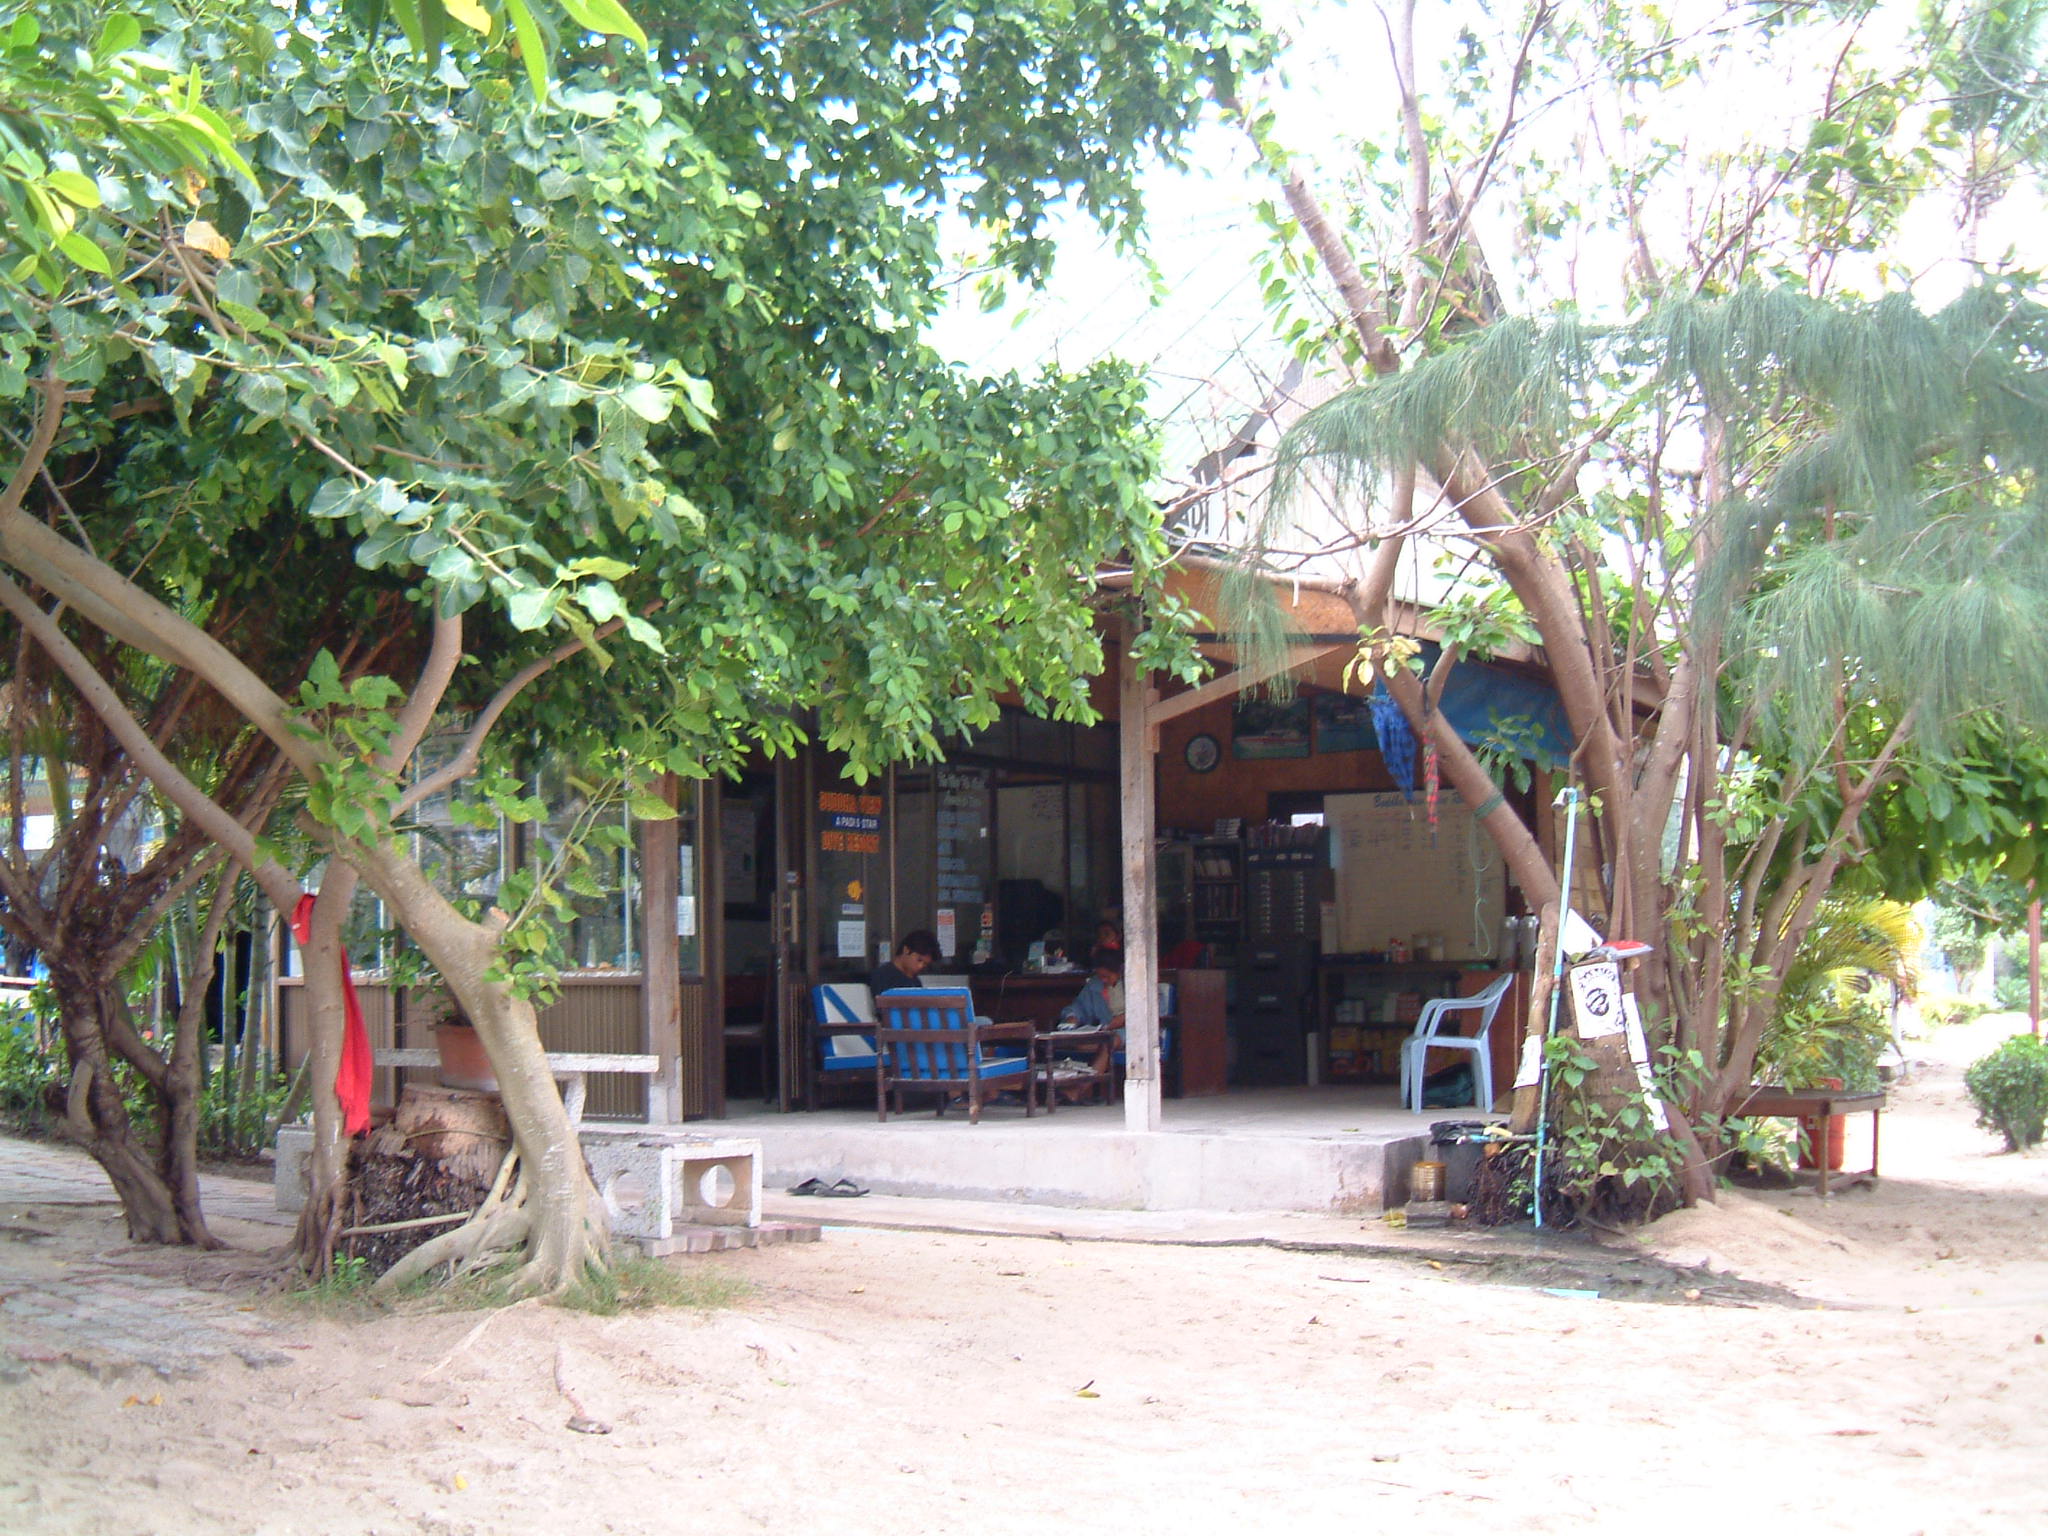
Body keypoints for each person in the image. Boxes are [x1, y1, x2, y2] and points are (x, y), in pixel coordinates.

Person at [1051, 947, 1126, 1096]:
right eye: (1100, 976)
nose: (1103, 980)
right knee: (1080, 1044)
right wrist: (1072, 1016)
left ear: (1118, 971)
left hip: (1133, 1032)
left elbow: (1146, 1008)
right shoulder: (1094, 984)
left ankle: (1078, 1090)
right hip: (1104, 1032)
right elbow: (1078, 1007)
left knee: (1109, 1042)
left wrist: (1124, 1018)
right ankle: (1066, 1086)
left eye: (1107, 976)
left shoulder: (1134, 981)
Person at [871, 930, 940, 994]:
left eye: (925, 964)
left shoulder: (915, 981)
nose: (920, 966)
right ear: (906, 950)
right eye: (919, 960)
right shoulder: (882, 976)